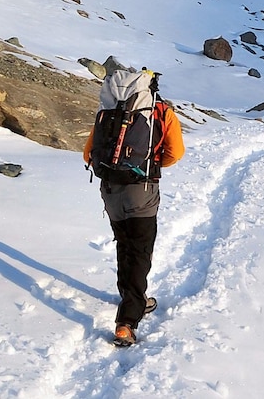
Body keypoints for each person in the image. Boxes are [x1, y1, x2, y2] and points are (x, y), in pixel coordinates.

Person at [84, 75, 185, 347]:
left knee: (124, 244)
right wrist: (150, 166)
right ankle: (127, 321)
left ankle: (132, 296)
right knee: (140, 251)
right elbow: (175, 152)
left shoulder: (107, 111)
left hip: (110, 189)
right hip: (142, 189)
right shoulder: (161, 111)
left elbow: (88, 154)